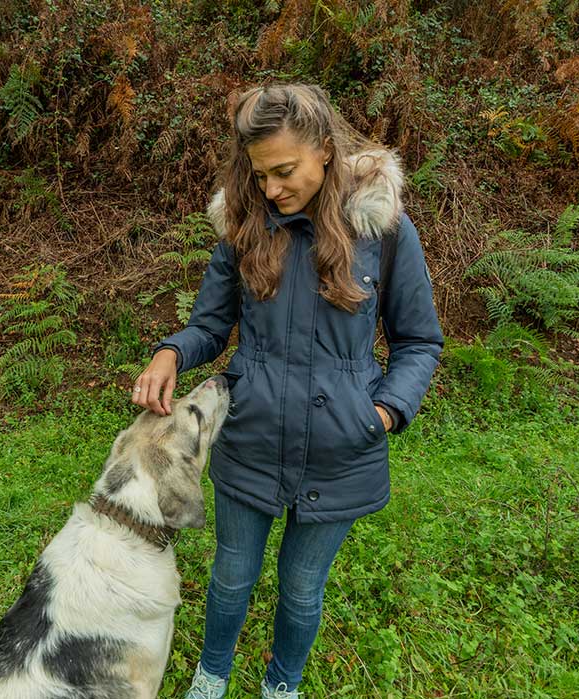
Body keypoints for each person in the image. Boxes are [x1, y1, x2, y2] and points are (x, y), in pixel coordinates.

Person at [130, 84, 444, 698]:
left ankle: (282, 686)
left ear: (325, 151)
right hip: (251, 435)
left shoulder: (382, 231)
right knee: (231, 575)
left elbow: (419, 343)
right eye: (260, 174)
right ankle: (211, 675)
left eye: (284, 171)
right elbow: (209, 325)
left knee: (302, 587)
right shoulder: (246, 229)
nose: (271, 189)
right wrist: (171, 351)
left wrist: (381, 413)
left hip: (342, 448)